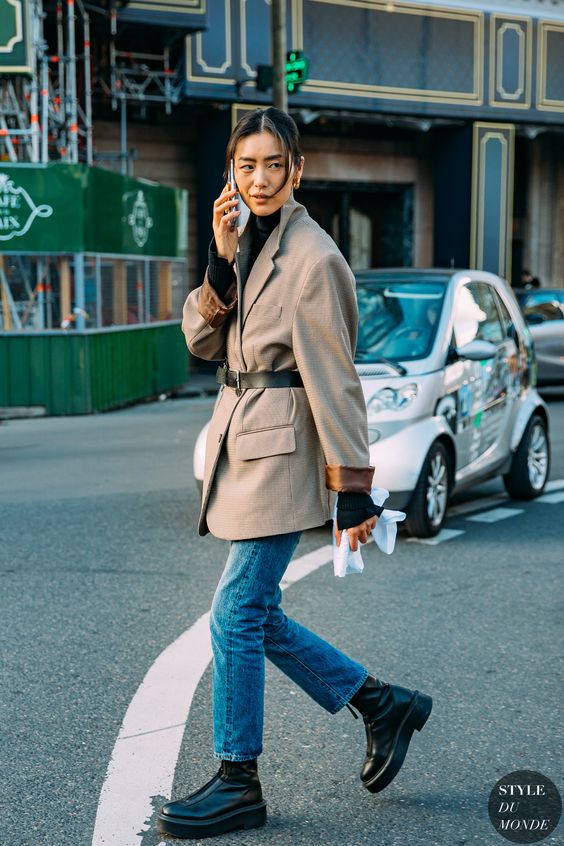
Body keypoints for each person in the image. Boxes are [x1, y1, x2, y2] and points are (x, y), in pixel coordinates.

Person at [156, 107, 432, 841]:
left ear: (296, 170)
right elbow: (202, 344)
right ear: (230, 175)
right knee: (257, 613)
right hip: (242, 444)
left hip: (284, 454)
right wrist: (217, 260)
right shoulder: (247, 238)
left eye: (272, 164)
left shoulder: (313, 257)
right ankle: (380, 704)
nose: (259, 178)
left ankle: (238, 779)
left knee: (236, 612)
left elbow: (337, 379)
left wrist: (353, 488)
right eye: (245, 166)